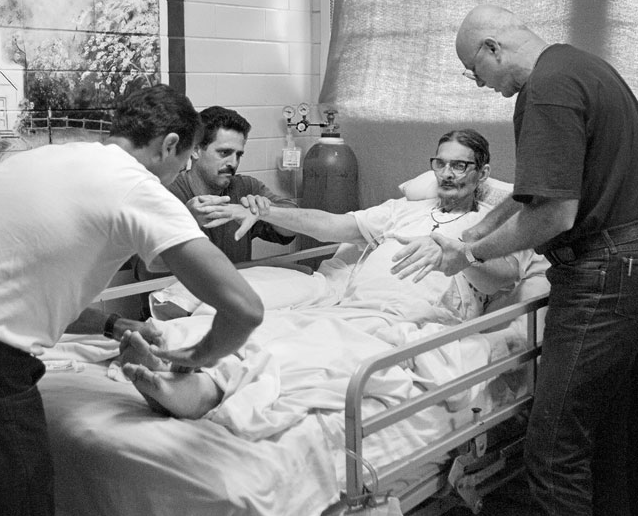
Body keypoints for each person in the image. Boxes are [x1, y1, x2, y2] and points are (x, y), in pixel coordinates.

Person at [0, 84, 264, 516]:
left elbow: (14, 284)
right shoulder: (137, 187)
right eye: (181, 163)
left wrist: (111, 322)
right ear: (170, 146)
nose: (174, 176)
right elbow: (245, 308)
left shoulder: (33, 160)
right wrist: (195, 357)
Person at [395, 5, 638, 516]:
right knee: (612, 438)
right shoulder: (582, 67)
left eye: (474, 70)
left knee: (552, 452)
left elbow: (553, 213)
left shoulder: (545, 90)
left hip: (599, 271)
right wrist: (471, 232)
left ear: (492, 49)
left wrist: (471, 255)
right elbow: (533, 192)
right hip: (625, 261)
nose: (479, 83)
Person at [121, 129, 532, 419]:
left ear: (482, 172)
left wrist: (465, 255)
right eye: (440, 164)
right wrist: (261, 211)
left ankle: (200, 393)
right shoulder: (403, 210)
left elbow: (506, 277)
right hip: (350, 308)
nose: (447, 174)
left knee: (309, 357)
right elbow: (330, 224)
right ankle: (171, 359)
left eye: (460, 166)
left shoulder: (494, 225)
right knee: (266, 331)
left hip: (407, 324)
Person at [168, 105, 297, 263]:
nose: (233, 163)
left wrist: (268, 211)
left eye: (239, 155)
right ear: (195, 150)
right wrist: (187, 223)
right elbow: (145, 271)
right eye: (224, 153)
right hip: (180, 287)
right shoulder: (166, 194)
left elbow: (293, 228)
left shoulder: (246, 188)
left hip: (232, 286)